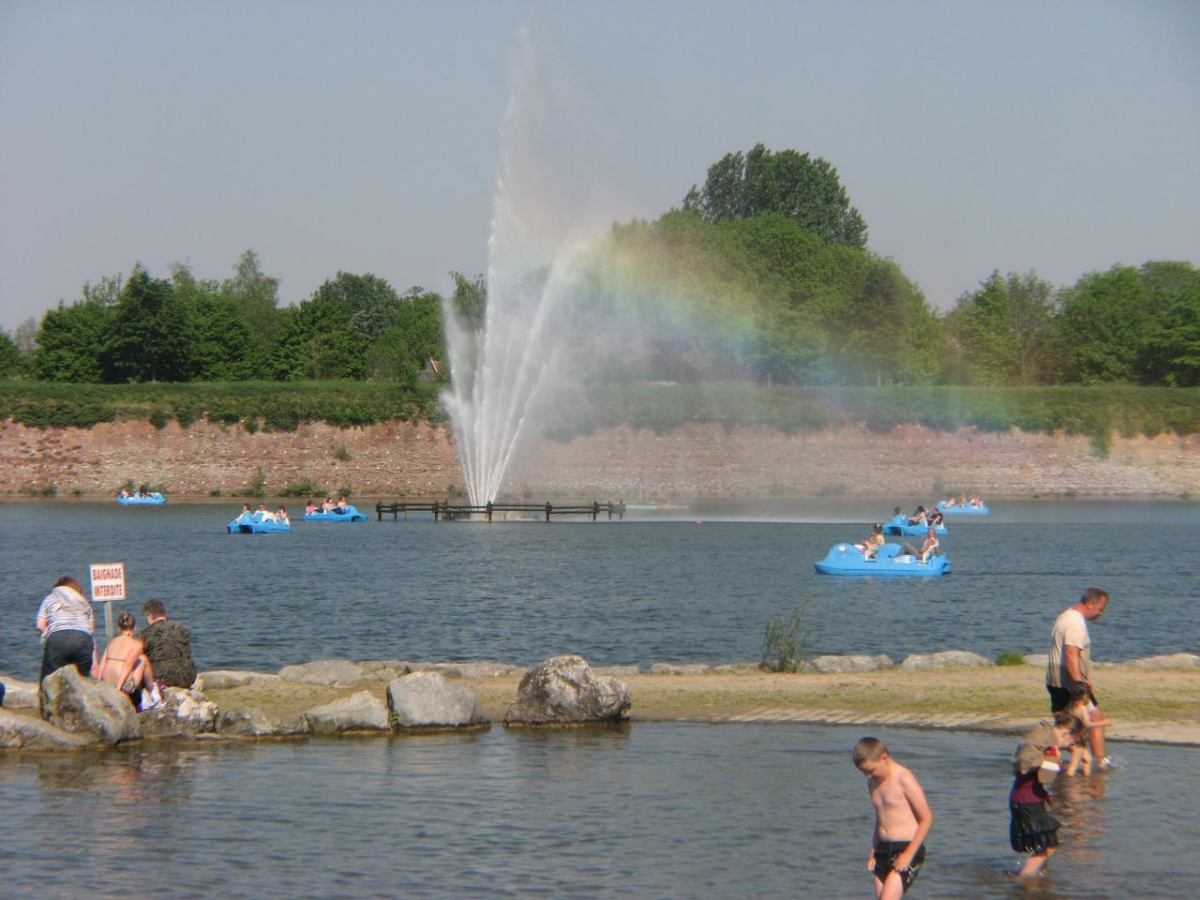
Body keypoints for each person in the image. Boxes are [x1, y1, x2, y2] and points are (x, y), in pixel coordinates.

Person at [853, 737, 933, 899]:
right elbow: (880, 818)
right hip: (882, 850)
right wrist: (873, 851)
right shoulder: (873, 783)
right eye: (863, 772)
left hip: (906, 848)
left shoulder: (903, 777)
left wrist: (908, 854)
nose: (868, 776)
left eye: (871, 770)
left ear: (884, 758)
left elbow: (926, 819)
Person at [1009, 711, 1083, 877]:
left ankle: (1039, 879)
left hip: (1026, 799)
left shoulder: (1045, 739)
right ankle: (1024, 882)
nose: (1070, 747)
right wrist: (1052, 760)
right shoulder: (1045, 744)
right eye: (1072, 743)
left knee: (1044, 843)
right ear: (1066, 733)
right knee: (1049, 845)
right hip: (1026, 800)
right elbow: (1028, 767)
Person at [1046, 587, 1109, 766]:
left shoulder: (1066, 615)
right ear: (1090, 605)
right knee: (1096, 718)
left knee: (1063, 727)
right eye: (1100, 608)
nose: (1101, 613)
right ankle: (1100, 764)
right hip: (1069, 684)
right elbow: (1071, 653)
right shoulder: (1075, 623)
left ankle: (1051, 762)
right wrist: (1080, 684)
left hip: (1055, 680)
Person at [36, 576, 97, 686]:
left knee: (50, 681)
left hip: (58, 638)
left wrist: (49, 632)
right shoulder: (85, 603)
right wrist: (95, 661)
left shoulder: (50, 598)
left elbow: (40, 624)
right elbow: (91, 632)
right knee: (81, 683)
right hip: (83, 639)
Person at [94, 610, 153, 707]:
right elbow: (127, 665)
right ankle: (152, 692)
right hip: (124, 686)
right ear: (135, 628)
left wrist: (99, 683)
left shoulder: (112, 642)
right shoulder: (136, 645)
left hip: (107, 683)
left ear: (118, 628)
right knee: (143, 659)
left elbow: (103, 664)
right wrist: (118, 689)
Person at [140, 599, 197, 689]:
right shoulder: (180, 627)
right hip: (187, 677)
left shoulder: (146, 633)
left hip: (162, 679)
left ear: (150, 616)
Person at [1063, 685, 1113, 776]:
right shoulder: (1082, 708)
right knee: (1073, 766)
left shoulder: (1069, 706)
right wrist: (1103, 722)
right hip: (1076, 740)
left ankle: (1085, 779)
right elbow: (1088, 724)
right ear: (1083, 696)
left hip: (1067, 737)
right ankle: (1068, 782)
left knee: (1087, 760)